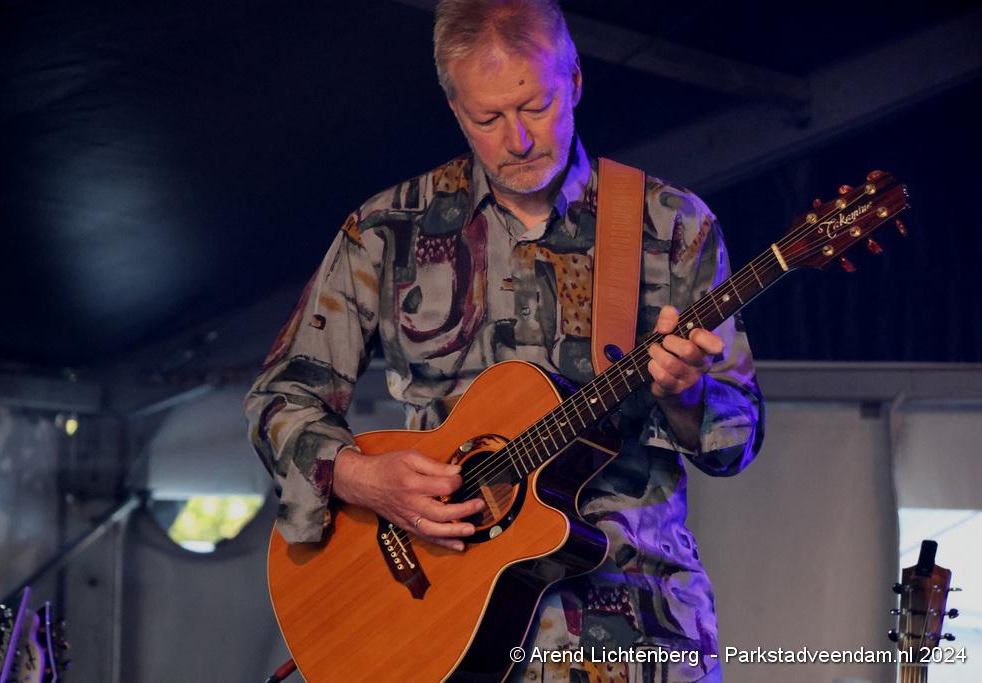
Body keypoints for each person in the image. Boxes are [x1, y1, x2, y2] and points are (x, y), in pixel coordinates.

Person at [245, 1, 764, 680]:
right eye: (487, 119)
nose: (518, 140)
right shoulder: (387, 230)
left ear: (574, 82)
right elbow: (279, 399)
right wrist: (362, 477)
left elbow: (736, 442)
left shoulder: (671, 225)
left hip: (636, 631)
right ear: (455, 109)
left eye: (536, 107)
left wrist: (686, 394)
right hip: (438, 631)